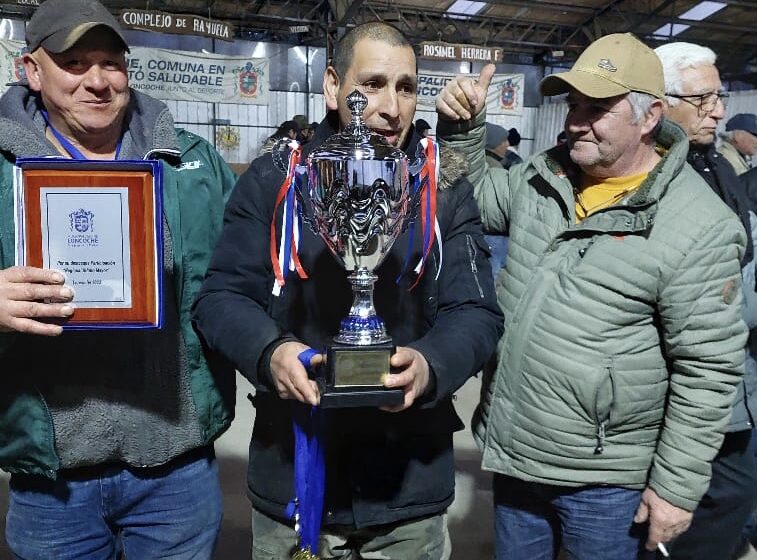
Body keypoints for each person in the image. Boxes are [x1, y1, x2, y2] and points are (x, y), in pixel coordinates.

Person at [192, 21, 502, 560]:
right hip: (295, 477)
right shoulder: (276, 178)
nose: (391, 106)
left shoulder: (442, 186)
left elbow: (476, 312)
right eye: (374, 83)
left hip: (409, 489)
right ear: (333, 86)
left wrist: (430, 366)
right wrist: (271, 353)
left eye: (406, 87)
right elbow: (220, 297)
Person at [436, 32, 747, 559]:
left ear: (649, 118)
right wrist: (463, 133)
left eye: (597, 108)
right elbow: (475, 206)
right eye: (574, 104)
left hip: (605, 481)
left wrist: (675, 487)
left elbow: (708, 370)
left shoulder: (698, 225)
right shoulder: (545, 175)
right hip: (517, 453)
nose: (575, 121)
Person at [0, 0, 238, 558]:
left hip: (177, 468)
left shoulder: (192, 165)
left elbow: (247, 278)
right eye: (76, 62)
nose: (99, 81)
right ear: (31, 71)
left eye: (112, 62)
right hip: (52, 483)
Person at [655, 41, 757, 560]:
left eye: (718, 97)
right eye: (704, 99)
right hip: (680, 385)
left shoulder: (719, 167)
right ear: (659, 100)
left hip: (736, 385)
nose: (717, 109)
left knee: (733, 494)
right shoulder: (651, 178)